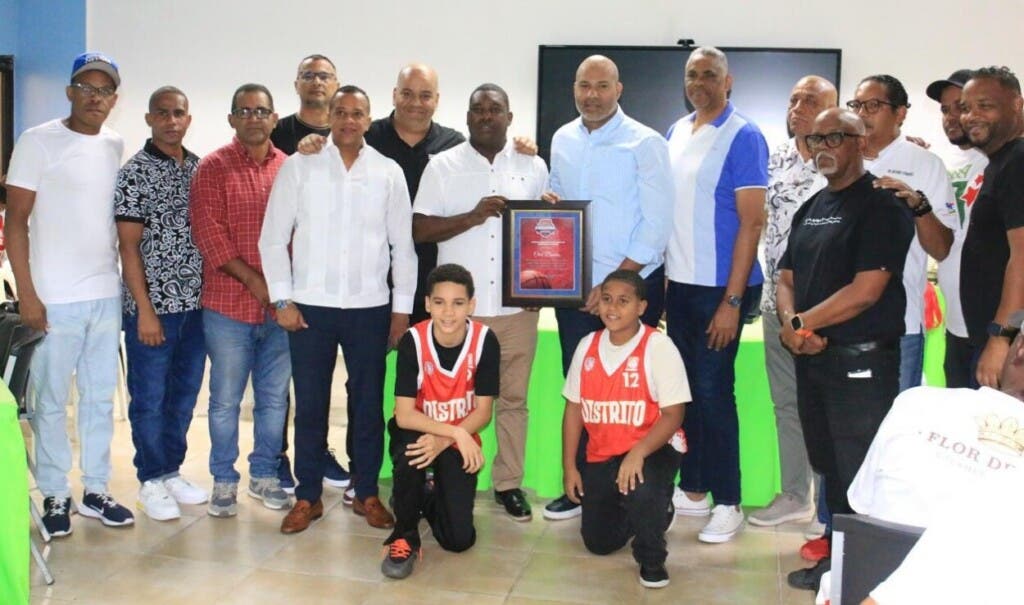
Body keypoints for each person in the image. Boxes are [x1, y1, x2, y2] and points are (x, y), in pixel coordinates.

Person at [265, 85, 416, 533]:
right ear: (328, 116)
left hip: (370, 307)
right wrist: (282, 299)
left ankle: (365, 491)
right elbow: (273, 238)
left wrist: (401, 311)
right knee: (310, 405)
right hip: (310, 308)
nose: (349, 120)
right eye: (341, 112)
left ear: (370, 120)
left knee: (367, 405)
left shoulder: (388, 172)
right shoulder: (299, 167)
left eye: (358, 113)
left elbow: (402, 247)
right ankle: (307, 496)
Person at [777, 108, 915, 591]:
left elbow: (867, 290)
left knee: (860, 471)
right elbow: (786, 278)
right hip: (813, 359)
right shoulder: (811, 207)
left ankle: (864, 575)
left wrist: (801, 323)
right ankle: (837, 564)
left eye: (835, 136)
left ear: (861, 142)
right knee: (830, 467)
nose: (823, 147)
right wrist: (794, 328)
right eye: (815, 139)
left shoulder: (882, 206)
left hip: (862, 361)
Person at [5, 52, 134, 535]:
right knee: (50, 401)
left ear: (114, 100)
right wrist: (28, 295)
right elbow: (16, 222)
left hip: (105, 293)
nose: (95, 97)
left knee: (100, 398)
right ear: (70, 91)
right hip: (53, 297)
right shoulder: (37, 141)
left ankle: (95, 489)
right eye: (86, 87)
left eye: (104, 90)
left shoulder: (114, 144)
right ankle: (56, 493)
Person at [542, 54, 674, 521]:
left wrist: (613, 287)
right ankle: (581, 486)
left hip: (630, 287)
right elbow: (557, 202)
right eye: (583, 85)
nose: (591, 95)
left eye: (601, 85)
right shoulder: (561, 138)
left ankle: (639, 487)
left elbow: (657, 224)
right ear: (574, 88)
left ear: (619, 90)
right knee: (582, 389)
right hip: (573, 291)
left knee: (635, 393)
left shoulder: (646, 142)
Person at [412, 83, 548, 521]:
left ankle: (508, 483)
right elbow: (420, 230)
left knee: (512, 400)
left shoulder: (534, 165)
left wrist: (541, 288)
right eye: (478, 110)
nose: (487, 116)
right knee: (450, 402)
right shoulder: (442, 166)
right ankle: (446, 477)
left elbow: (546, 233)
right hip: (458, 317)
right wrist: (473, 215)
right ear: (467, 117)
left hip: (517, 312)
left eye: (496, 110)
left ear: (510, 117)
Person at [664, 46, 768, 544]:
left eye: (709, 74)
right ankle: (695, 487)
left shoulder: (743, 135)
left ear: (728, 82)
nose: (699, 82)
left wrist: (731, 302)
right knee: (687, 396)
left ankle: (729, 500)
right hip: (680, 287)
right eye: (692, 74)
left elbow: (752, 222)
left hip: (720, 291)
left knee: (712, 394)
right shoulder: (677, 131)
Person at [190, 83, 291, 518]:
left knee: (274, 399)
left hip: (282, 308)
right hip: (228, 307)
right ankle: (223, 480)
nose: (253, 117)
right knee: (225, 399)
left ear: (274, 119)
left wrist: (283, 291)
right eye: (244, 111)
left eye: (261, 110)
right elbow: (209, 235)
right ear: (232, 119)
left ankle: (265, 475)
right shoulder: (212, 168)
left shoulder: (291, 168)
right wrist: (256, 282)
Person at [561, 270, 690, 588]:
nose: (612, 308)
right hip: (603, 453)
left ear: (641, 307)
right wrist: (569, 467)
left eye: (623, 301)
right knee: (598, 543)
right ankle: (648, 510)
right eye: (606, 299)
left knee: (642, 486)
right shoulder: (587, 346)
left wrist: (638, 453)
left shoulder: (658, 347)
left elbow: (674, 414)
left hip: (653, 447)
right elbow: (573, 409)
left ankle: (651, 556)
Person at [115, 86, 208, 521]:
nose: (172, 121)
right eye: (163, 113)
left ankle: (171, 470)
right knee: (149, 397)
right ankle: (150, 479)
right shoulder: (134, 172)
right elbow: (128, 247)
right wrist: (145, 309)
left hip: (198, 309)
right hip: (153, 311)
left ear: (189, 119)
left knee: (184, 395)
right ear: (150, 119)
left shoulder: (199, 169)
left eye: (179, 113)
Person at [749, 76, 837, 531]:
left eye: (811, 100)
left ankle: (827, 507)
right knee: (787, 403)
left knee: (825, 405)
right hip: (772, 303)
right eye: (794, 99)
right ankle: (793, 494)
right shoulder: (773, 158)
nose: (798, 107)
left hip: (827, 309)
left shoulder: (841, 162)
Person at [380, 264, 500, 579]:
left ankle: (421, 495)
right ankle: (404, 535)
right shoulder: (412, 341)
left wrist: (448, 439)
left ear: (471, 305)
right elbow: (405, 415)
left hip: (457, 436)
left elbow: (484, 411)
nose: (448, 312)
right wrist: (452, 434)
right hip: (418, 430)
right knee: (412, 454)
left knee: (459, 540)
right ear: (427, 304)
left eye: (458, 303)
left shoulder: (486, 340)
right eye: (440, 302)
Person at [268, 53, 349, 495]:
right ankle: (278, 458)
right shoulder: (279, 133)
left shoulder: (351, 134)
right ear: (296, 83)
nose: (317, 82)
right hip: (286, 282)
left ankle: (317, 453)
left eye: (325, 76)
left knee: (319, 387)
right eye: (309, 75)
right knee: (281, 383)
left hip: (333, 283)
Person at [847, 75, 957, 391]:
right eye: (856, 105)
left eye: (873, 105)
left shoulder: (924, 164)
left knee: (894, 428)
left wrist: (918, 205)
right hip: (837, 322)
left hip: (899, 324)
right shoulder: (839, 159)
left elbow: (942, 249)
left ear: (899, 113)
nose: (862, 113)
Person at [923, 70, 989, 388]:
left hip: (996, 331)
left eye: (960, 107)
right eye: (945, 110)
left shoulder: (1004, 161)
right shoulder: (947, 165)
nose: (952, 117)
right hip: (957, 325)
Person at [959, 66, 1024, 389]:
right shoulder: (1001, 162)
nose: (971, 116)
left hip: (1010, 347)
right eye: (965, 108)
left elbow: (1023, 257)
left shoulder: (1018, 162)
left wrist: (1002, 337)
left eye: (985, 106)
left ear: (1016, 104)